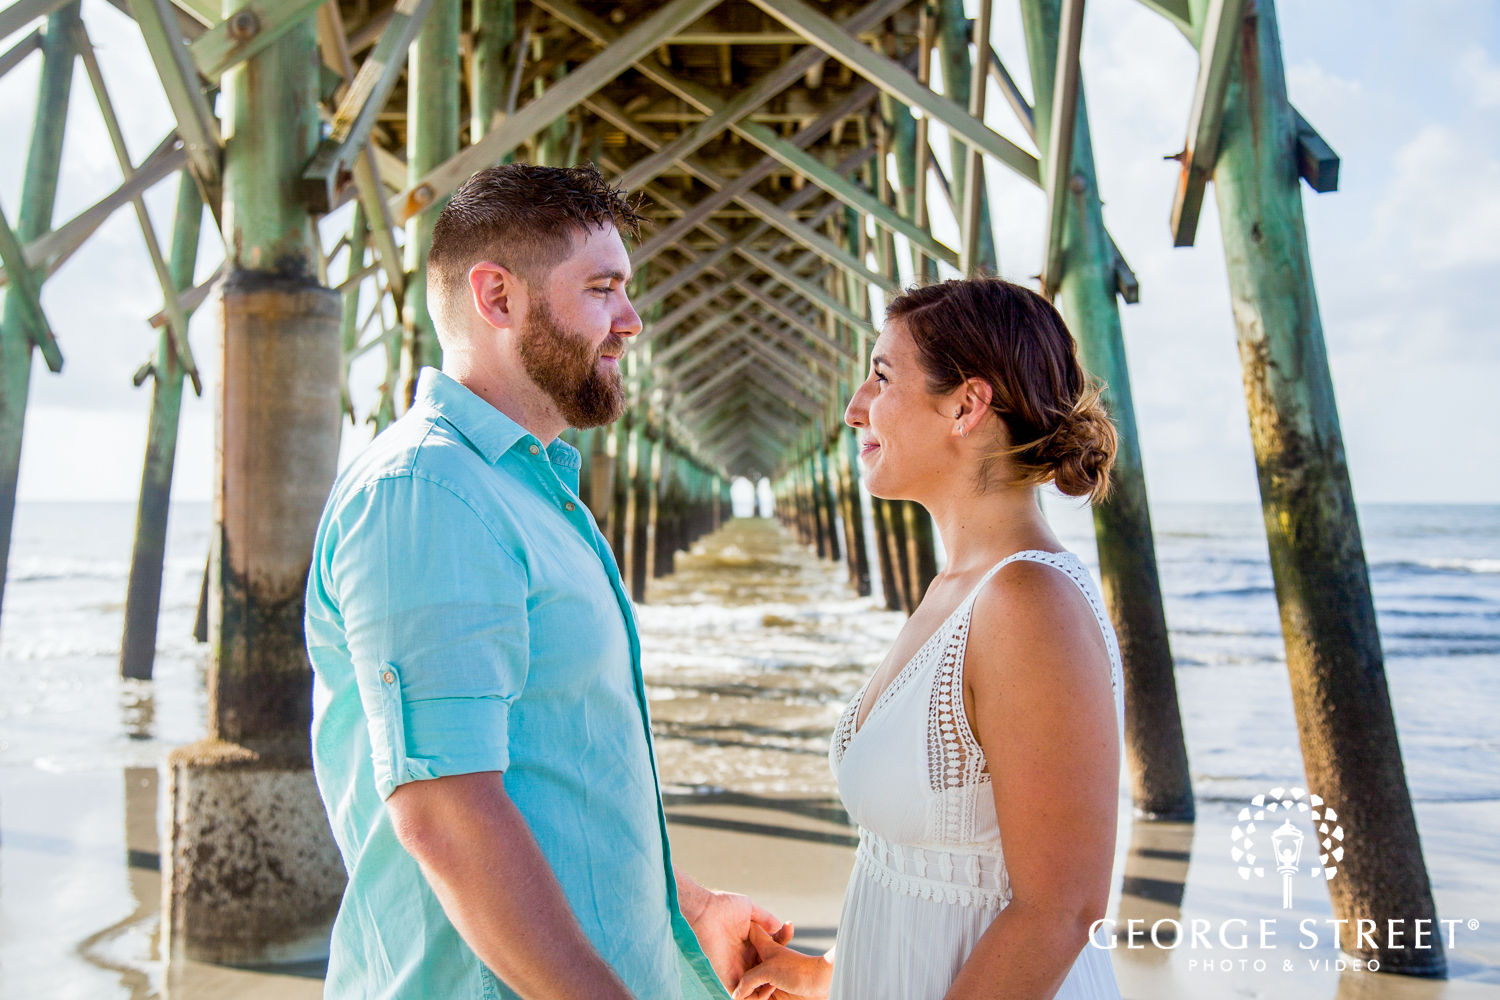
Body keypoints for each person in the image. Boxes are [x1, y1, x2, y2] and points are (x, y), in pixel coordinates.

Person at [305, 162, 786, 1000]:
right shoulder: (431, 494)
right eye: (602, 289)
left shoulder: (528, 490)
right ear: (497, 298)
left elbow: (557, 775)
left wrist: (681, 906)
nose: (631, 321)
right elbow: (449, 814)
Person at [733, 277, 1126, 1000]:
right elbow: (941, 877)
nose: (855, 409)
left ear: (967, 406)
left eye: (882, 377)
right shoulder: (958, 591)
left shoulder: (1027, 602)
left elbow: (1060, 912)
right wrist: (829, 978)